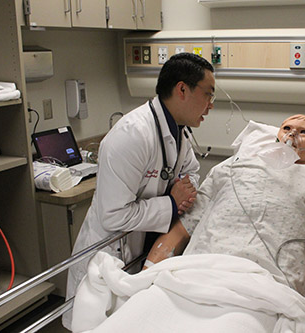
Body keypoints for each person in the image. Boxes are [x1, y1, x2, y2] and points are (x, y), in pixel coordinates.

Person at [143, 114, 305, 333]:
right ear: (276, 137)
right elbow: (184, 228)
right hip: (202, 269)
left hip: (273, 284)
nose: (292, 133)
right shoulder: (233, 167)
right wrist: (146, 275)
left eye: (303, 132)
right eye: (286, 128)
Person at [63, 52, 215, 329]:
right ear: (182, 89)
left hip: (141, 245)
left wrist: (178, 194)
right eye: (208, 95)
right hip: (110, 253)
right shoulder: (132, 135)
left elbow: (190, 171)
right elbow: (113, 216)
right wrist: (170, 203)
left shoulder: (177, 131)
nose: (210, 106)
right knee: (98, 323)